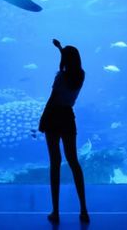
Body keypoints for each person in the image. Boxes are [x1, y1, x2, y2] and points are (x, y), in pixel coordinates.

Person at [38, 39, 89, 224]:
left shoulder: (60, 77)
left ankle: (56, 212)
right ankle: (84, 209)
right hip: (68, 117)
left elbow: (52, 99)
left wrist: (42, 119)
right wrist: (60, 49)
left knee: (55, 163)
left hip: (53, 117)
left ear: (66, 60)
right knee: (74, 162)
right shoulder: (81, 76)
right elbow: (69, 62)